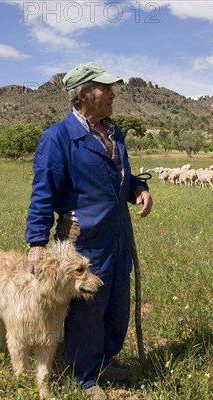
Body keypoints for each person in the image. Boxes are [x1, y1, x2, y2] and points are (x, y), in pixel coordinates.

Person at [24, 62, 153, 399]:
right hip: (83, 242)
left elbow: (118, 176)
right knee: (87, 311)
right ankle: (84, 376)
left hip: (117, 236)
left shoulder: (113, 132)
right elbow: (43, 193)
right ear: (82, 94)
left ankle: (104, 361)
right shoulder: (58, 138)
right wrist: (37, 242)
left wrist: (137, 188)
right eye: (104, 88)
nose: (112, 94)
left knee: (115, 306)